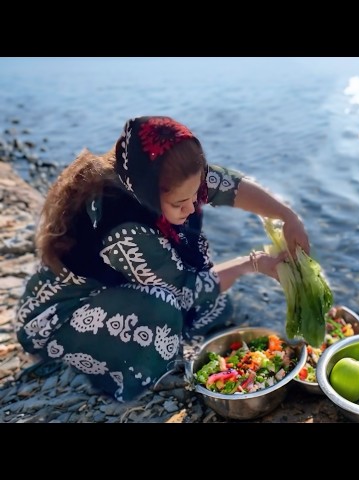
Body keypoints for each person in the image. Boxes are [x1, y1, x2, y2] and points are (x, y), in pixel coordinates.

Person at [15, 115, 310, 402]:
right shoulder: (127, 227)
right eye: (180, 203)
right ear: (148, 195)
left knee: (218, 308)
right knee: (166, 306)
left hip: (112, 288)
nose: (194, 207)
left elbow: (229, 186)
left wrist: (287, 216)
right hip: (58, 317)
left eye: (196, 195)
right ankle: (110, 363)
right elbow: (187, 289)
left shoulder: (147, 176)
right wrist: (254, 263)